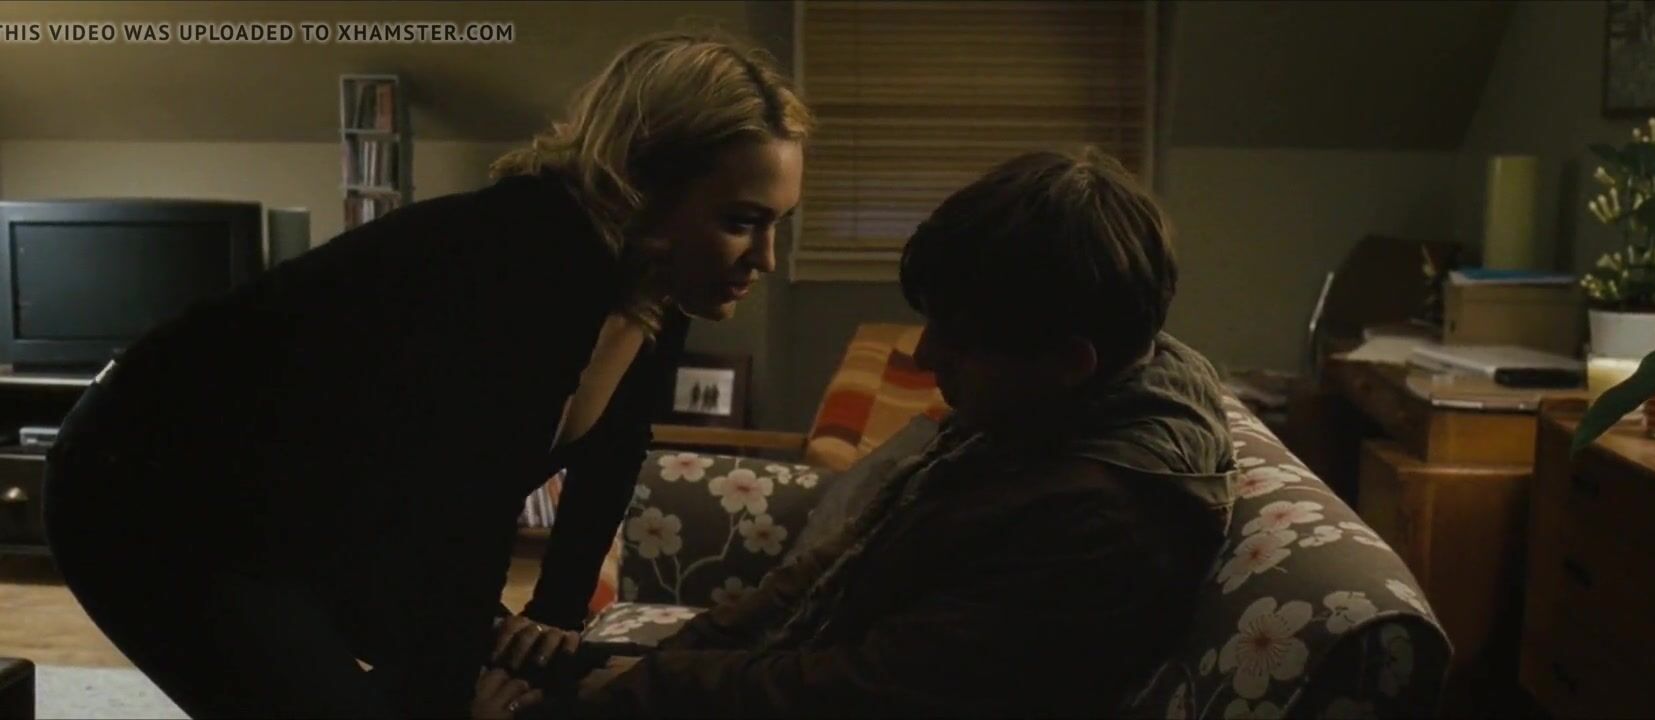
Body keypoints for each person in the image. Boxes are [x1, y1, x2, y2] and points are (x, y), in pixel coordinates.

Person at [41, 30, 811, 719]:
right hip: (151, 490)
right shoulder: (522, 258)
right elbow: (455, 514)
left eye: (776, 223)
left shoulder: (656, 282)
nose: (766, 259)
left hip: (324, 508)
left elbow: (612, 452)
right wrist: (449, 694)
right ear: (648, 182)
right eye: (740, 221)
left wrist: (553, 615)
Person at [486, 146, 1241, 718]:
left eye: (960, 342)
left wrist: (653, 683)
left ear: (1071, 362)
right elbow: (838, 567)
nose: (925, 355)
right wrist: (672, 656)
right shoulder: (1048, 414)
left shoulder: (1103, 521)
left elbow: (875, 688)